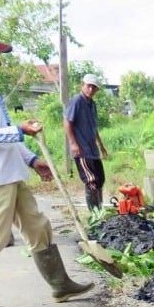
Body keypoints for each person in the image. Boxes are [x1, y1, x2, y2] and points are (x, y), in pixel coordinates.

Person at [0, 29, 94, 307]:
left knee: (37, 227)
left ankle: (60, 284)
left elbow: (4, 135)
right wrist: (19, 130)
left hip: (10, 172)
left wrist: (31, 159)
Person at [64, 73, 109, 211]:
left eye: (94, 88)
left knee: (100, 179)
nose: (91, 90)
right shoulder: (77, 101)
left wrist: (101, 146)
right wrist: (73, 143)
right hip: (82, 150)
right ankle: (94, 214)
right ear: (82, 85)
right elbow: (67, 122)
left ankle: (99, 210)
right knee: (91, 181)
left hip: (93, 150)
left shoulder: (92, 104)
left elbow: (94, 127)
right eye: (89, 86)